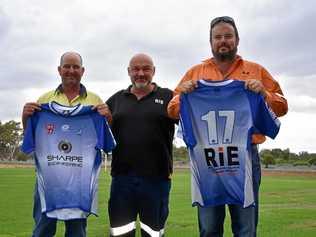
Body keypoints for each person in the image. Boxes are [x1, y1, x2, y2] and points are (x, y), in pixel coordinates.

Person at [167, 16, 288, 237]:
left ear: (237, 39)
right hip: (207, 157)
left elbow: (282, 106)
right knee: (209, 226)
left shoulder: (256, 70)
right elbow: (172, 110)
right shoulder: (195, 72)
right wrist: (183, 95)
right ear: (211, 41)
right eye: (218, 37)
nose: (223, 40)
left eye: (228, 36)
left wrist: (264, 93)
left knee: (245, 226)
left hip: (245, 155)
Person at [22, 52, 110, 237]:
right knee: (42, 230)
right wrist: (26, 117)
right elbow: (33, 140)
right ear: (59, 70)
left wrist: (107, 118)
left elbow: (106, 140)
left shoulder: (95, 101)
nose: (71, 70)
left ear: (82, 71)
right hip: (47, 181)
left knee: (77, 232)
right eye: (67, 66)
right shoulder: (43, 100)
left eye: (75, 67)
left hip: (79, 183)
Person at [104, 53, 177, 237]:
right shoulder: (115, 100)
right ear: (129, 71)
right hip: (122, 180)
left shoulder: (169, 97)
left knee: (153, 234)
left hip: (157, 180)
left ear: (153, 71)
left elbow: (193, 119)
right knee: (121, 233)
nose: (140, 73)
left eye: (146, 69)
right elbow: (97, 131)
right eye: (136, 69)